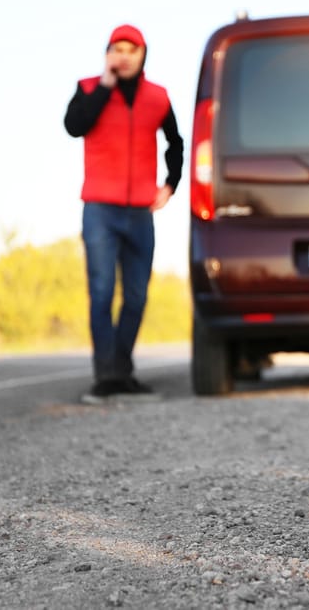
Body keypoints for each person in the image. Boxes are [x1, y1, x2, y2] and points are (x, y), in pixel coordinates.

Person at [64, 24, 183, 405]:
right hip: (100, 209)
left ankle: (123, 371)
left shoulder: (158, 97)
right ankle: (106, 377)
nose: (125, 55)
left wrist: (170, 185)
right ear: (108, 53)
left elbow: (175, 143)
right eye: (118, 48)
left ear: (143, 55)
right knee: (101, 292)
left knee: (135, 295)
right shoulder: (87, 89)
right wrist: (104, 84)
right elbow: (74, 126)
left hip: (140, 214)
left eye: (132, 49)